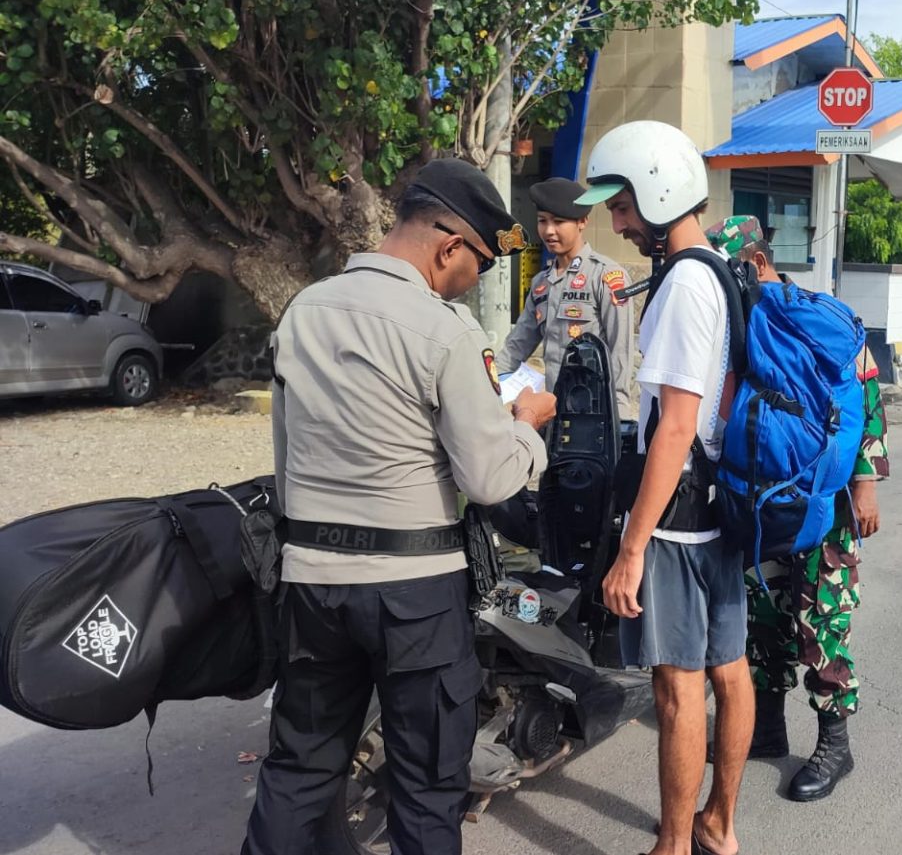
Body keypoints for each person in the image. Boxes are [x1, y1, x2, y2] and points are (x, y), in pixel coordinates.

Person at [243, 160, 558, 855]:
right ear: (447, 245)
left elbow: (288, 459)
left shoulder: (303, 312)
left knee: (297, 773)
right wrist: (526, 427)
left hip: (313, 585)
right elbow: (487, 477)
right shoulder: (444, 330)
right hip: (414, 597)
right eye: (478, 260)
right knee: (424, 794)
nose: (476, 277)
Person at [574, 121, 752, 855]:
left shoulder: (683, 284)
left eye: (622, 204)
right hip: (721, 510)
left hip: (676, 524)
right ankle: (720, 823)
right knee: (730, 672)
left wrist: (631, 547)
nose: (615, 221)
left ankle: (673, 845)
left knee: (678, 691)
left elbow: (674, 428)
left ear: (659, 190)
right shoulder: (722, 269)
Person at [704, 215, 890, 803]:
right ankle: (766, 727)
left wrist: (865, 480)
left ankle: (836, 743)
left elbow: (863, 392)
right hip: (762, 501)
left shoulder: (814, 317)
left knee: (820, 621)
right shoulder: (739, 321)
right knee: (762, 618)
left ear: (756, 262)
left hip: (824, 506)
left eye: (729, 270)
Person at [496, 177, 635, 408]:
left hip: (594, 412)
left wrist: (618, 418)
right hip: (553, 412)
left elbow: (620, 352)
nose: (549, 231)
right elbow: (515, 347)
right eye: (542, 221)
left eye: (559, 222)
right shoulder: (542, 283)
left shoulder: (605, 276)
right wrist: (487, 385)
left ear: (582, 222)